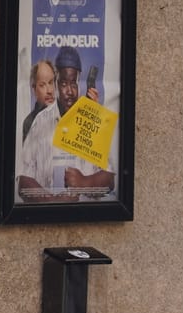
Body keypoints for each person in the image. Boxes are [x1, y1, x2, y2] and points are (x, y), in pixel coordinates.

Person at [53, 45, 113, 193]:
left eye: (73, 83)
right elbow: (23, 181)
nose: (69, 91)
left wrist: (85, 182)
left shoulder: (92, 119)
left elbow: (111, 180)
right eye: (63, 83)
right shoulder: (41, 122)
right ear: (55, 84)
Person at [16, 59, 65, 198]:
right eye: (42, 85)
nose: (49, 90)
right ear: (34, 90)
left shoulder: (64, 113)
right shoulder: (30, 122)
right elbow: (26, 174)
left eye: (51, 83)